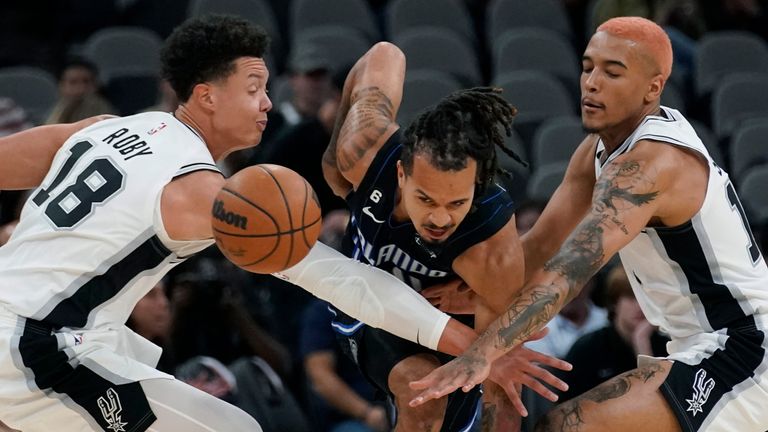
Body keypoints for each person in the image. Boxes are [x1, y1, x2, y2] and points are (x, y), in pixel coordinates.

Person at [0, 14, 557, 432]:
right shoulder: (203, 192)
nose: (269, 102)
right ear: (206, 97)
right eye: (254, 89)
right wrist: (478, 345)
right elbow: (341, 280)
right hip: (36, 344)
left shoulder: (101, 128)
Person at [409, 16, 768, 432]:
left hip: (744, 347)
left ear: (653, 88)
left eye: (612, 72)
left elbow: (567, 274)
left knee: (569, 427)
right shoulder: (598, 151)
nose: (592, 82)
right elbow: (540, 246)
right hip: (697, 344)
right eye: (587, 67)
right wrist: (467, 292)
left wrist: (479, 354)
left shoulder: (649, 164)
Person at [321, 42, 571, 431]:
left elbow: (501, 386)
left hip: (447, 331)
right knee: (421, 396)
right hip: (363, 303)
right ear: (401, 176)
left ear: (476, 186)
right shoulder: (365, 148)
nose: (440, 217)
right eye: (425, 198)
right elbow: (385, 55)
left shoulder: (490, 248)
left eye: (457, 202)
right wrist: (334, 157)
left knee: (437, 401)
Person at [557, 264, 669, 402]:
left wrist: (642, 344)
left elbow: (664, 403)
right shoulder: (588, 348)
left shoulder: (667, 347)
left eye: (647, 299)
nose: (641, 306)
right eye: (631, 297)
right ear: (615, 302)